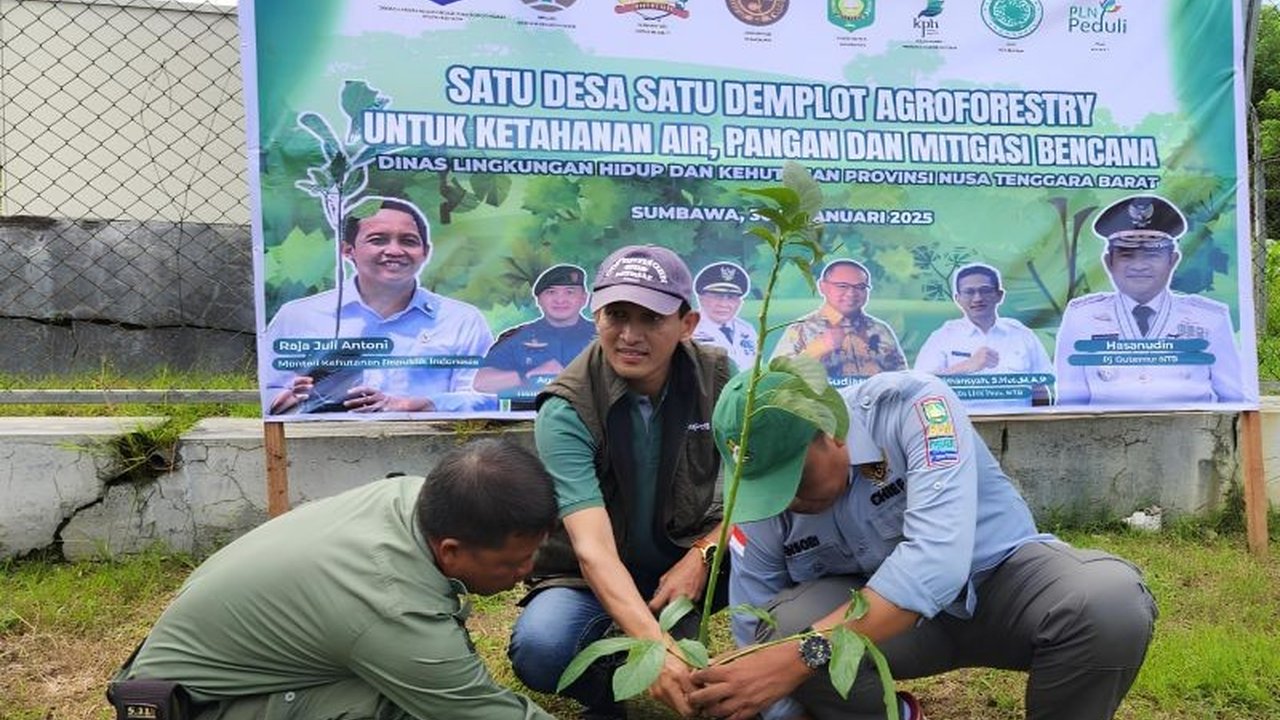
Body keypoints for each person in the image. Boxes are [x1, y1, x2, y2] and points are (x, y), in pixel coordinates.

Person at [688, 368, 1157, 720]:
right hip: (890, 632)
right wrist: (773, 699)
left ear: (831, 429)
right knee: (779, 628)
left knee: (1107, 600)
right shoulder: (762, 499)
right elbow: (755, 636)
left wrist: (802, 656)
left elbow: (935, 564)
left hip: (999, 586)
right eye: (765, 486)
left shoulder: (912, 407)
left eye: (793, 477)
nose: (784, 500)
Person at [113, 439, 559, 720]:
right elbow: (473, 708)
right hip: (183, 705)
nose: (525, 572)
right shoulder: (388, 601)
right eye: (514, 563)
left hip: (223, 672)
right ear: (451, 551)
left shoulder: (411, 497)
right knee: (395, 706)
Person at [508, 244, 732, 720]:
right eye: (616, 315)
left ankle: (769, 685)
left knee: (784, 579)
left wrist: (702, 554)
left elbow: (753, 494)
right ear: (596, 317)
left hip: (691, 559)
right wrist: (659, 651)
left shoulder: (723, 380)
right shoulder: (566, 406)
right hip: (589, 575)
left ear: (687, 325)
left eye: (651, 318)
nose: (630, 335)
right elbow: (592, 550)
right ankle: (616, 694)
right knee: (544, 646)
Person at [261, 197, 495, 415]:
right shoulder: (298, 316)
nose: (394, 250)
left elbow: (486, 397)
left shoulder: (462, 320)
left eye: (408, 241)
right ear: (348, 250)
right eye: (378, 239)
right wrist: (289, 398)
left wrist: (416, 405)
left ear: (426, 252)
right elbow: (269, 391)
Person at [1055, 194, 1245, 406]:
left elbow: (1234, 402)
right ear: (1109, 262)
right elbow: (1070, 404)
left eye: (1152, 255)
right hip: (1105, 436)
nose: (1139, 265)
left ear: (1173, 260)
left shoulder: (1210, 319)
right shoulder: (1081, 318)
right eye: (1127, 255)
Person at [914, 263, 1054, 407]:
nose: (977, 298)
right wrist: (966, 366)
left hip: (1017, 425)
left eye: (985, 290)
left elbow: (1041, 388)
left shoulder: (1022, 335)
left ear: (999, 295)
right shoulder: (942, 337)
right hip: (963, 425)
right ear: (958, 298)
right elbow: (921, 386)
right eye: (969, 292)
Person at [474, 263, 596, 411]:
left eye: (569, 292)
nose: (560, 300)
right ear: (538, 299)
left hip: (588, 421)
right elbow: (481, 383)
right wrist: (529, 375)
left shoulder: (603, 336)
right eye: (551, 292)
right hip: (525, 422)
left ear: (584, 298)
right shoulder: (517, 337)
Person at [770, 259, 906, 384]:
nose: (851, 293)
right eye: (842, 286)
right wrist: (819, 348)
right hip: (824, 407)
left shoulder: (880, 330)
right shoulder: (801, 328)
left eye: (860, 287)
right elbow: (777, 379)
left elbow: (903, 379)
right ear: (823, 287)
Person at [692, 261, 759, 370]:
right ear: (701, 299)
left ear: (739, 302)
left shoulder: (747, 330)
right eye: (716, 296)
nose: (723, 304)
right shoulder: (689, 330)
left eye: (731, 297)